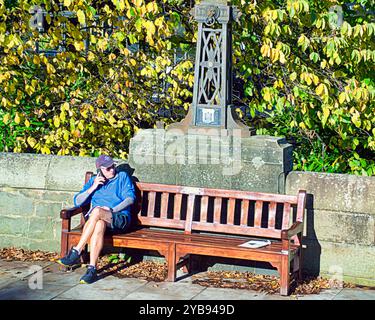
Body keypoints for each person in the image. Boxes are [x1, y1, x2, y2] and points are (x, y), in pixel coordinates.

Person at [57, 155, 135, 284]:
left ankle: (77, 251)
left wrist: (111, 210)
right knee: (99, 224)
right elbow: (77, 202)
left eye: (113, 166)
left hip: (119, 218)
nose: (112, 170)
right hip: (98, 221)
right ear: (100, 170)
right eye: (108, 168)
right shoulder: (94, 181)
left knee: (97, 211)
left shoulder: (122, 177)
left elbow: (130, 199)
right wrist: (93, 187)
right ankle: (92, 269)